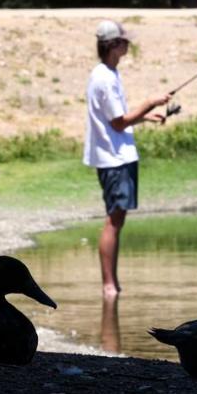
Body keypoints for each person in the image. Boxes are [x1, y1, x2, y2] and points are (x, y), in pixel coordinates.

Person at [83, 20, 171, 298]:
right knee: (114, 220)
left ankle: (113, 283)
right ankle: (109, 285)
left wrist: (145, 117)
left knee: (118, 220)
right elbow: (119, 123)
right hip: (113, 159)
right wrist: (150, 102)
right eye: (123, 41)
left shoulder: (109, 73)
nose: (128, 44)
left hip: (118, 155)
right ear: (112, 45)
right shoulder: (104, 79)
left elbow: (118, 121)